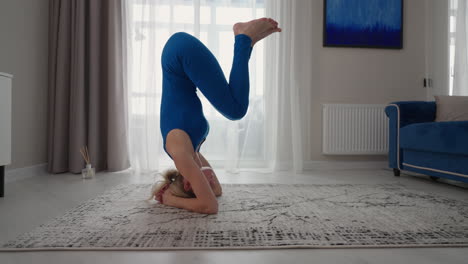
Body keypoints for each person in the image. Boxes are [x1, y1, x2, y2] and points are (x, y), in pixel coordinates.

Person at [149, 18, 282, 214]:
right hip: (179, 53)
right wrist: (206, 187)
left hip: (179, 54)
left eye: (199, 185)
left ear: (187, 185)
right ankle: (247, 41)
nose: (208, 182)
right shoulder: (191, 153)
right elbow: (217, 191)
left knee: (235, 109)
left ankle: (243, 37)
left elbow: (209, 206)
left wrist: (170, 200)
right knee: (234, 108)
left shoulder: (180, 153)